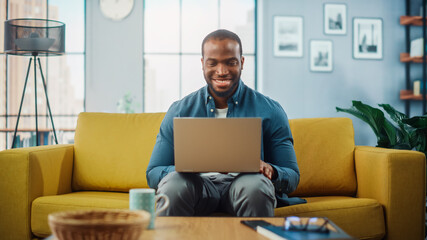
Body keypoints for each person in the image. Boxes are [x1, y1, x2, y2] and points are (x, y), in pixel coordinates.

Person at [146, 29, 305, 217]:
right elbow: (153, 173)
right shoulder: (179, 111)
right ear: (203, 64)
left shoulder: (271, 110)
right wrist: (188, 167)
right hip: (197, 188)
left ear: (242, 63)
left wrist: (271, 171)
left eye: (231, 62)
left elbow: (292, 176)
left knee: (256, 186)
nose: (221, 72)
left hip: (245, 188)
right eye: (212, 63)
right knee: (173, 185)